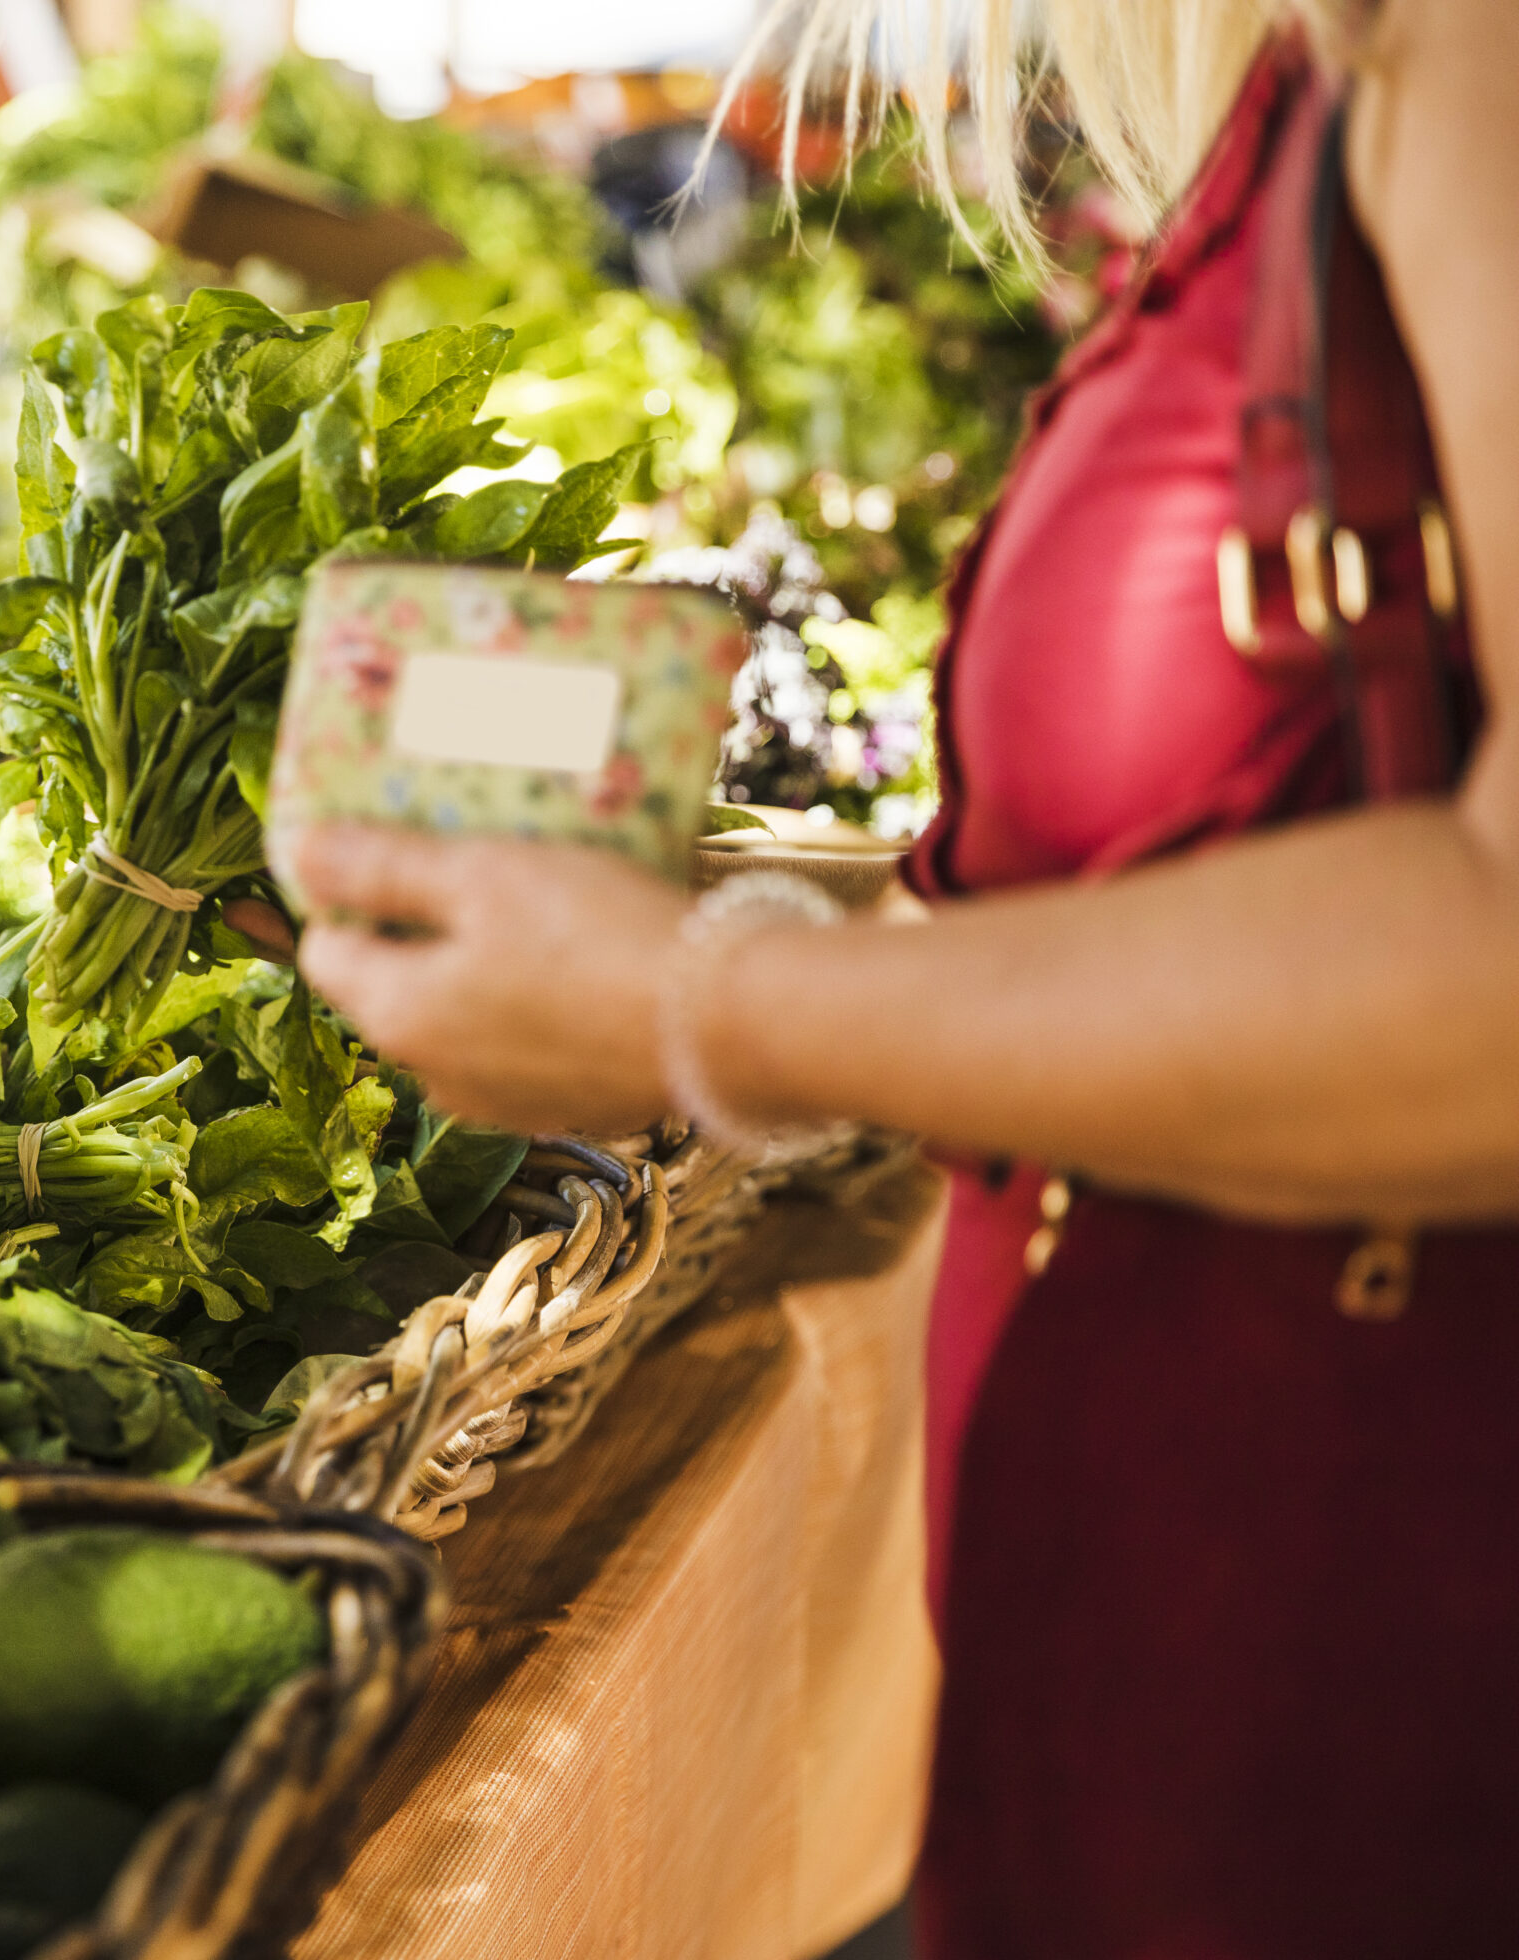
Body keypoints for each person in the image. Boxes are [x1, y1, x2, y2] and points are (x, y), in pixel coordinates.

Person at [281, 1, 1519, 1952]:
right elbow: (1258, 846)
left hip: (1388, 1697)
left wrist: (704, 1007)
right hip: (1180, 1680)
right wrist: (702, 928)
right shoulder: (1321, 70)